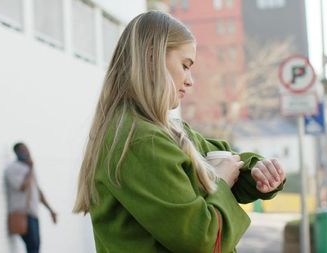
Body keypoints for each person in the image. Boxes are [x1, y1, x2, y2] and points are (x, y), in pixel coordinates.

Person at [72, 11, 286, 253]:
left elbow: (223, 157)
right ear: (152, 57)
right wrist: (220, 181)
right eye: (185, 66)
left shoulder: (166, 130)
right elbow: (203, 240)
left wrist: (258, 171)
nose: (190, 80)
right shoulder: (141, 141)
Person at [4, 142, 57, 253]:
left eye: (27, 149)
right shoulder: (13, 169)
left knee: (35, 247)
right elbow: (22, 187)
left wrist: (50, 210)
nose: (27, 152)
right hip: (22, 214)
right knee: (33, 248)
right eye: (23, 150)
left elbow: (38, 192)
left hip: (33, 214)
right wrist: (31, 169)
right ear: (17, 152)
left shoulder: (29, 168)